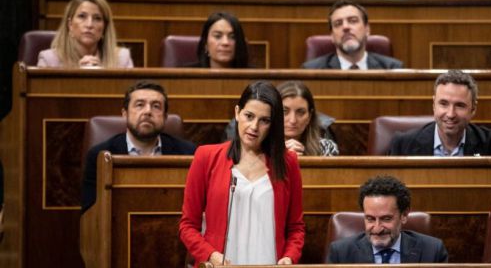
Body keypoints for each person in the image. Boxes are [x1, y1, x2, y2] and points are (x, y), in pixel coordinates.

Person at [179, 81, 305, 266]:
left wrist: (289, 257)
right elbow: (187, 226)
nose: (254, 126)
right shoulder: (206, 157)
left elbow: (296, 228)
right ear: (237, 112)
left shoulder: (288, 163)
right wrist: (210, 254)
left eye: (264, 120)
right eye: (249, 116)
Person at [389, 70, 491, 170]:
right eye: (443, 104)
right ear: (433, 104)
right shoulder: (404, 144)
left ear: (473, 109)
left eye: (459, 105)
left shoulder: (489, 141)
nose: (450, 114)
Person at [81, 80, 195, 212]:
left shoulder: (188, 153)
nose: (148, 111)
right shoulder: (99, 155)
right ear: (125, 114)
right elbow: (90, 212)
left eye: (156, 106)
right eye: (140, 105)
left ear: (165, 117)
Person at [327, 175, 448, 263]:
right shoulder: (341, 253)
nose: (377, 228)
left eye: (386, 219)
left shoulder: (433, 251)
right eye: (370, 219)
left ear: (404, 215)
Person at [37, 0, 133, 68]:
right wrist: (77, 75)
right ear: (70, 24)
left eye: (97, 18)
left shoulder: (122, 59)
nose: (89, 24)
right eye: (82, 16)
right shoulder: (49, 60)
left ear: (104, 28)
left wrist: (102, 76)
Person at [302, 0, 403, 69]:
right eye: (338, 24)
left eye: (353, 21)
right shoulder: (312, 70)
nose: (345, 27)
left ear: (367, 29)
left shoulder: (392, 68)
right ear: (332, 36)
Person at [278, 80, 338, 156]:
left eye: (301, 112)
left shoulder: (326, 148)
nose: (293, 120)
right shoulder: (262, 148)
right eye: (284, 111)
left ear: (309, 116)